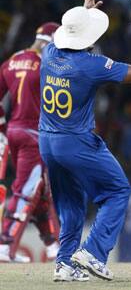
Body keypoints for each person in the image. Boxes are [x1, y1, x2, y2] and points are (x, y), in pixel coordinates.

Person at [39, 0, 131, 281]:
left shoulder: (48, 53)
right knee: (118, 191)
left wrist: (85, 15)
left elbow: (71, 37)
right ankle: (94, 252)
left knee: (70, 205)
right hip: (76, 142)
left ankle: (65, 264)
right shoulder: (89, 65)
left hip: (47, 142)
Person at [0, 22, 61, 263]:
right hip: (35, 135)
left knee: (40, 190)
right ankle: (4, 244)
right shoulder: (47, 64)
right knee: (25, 189)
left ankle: (53, 244)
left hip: (14, 132)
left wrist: (3, 128)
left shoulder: (11, 61)